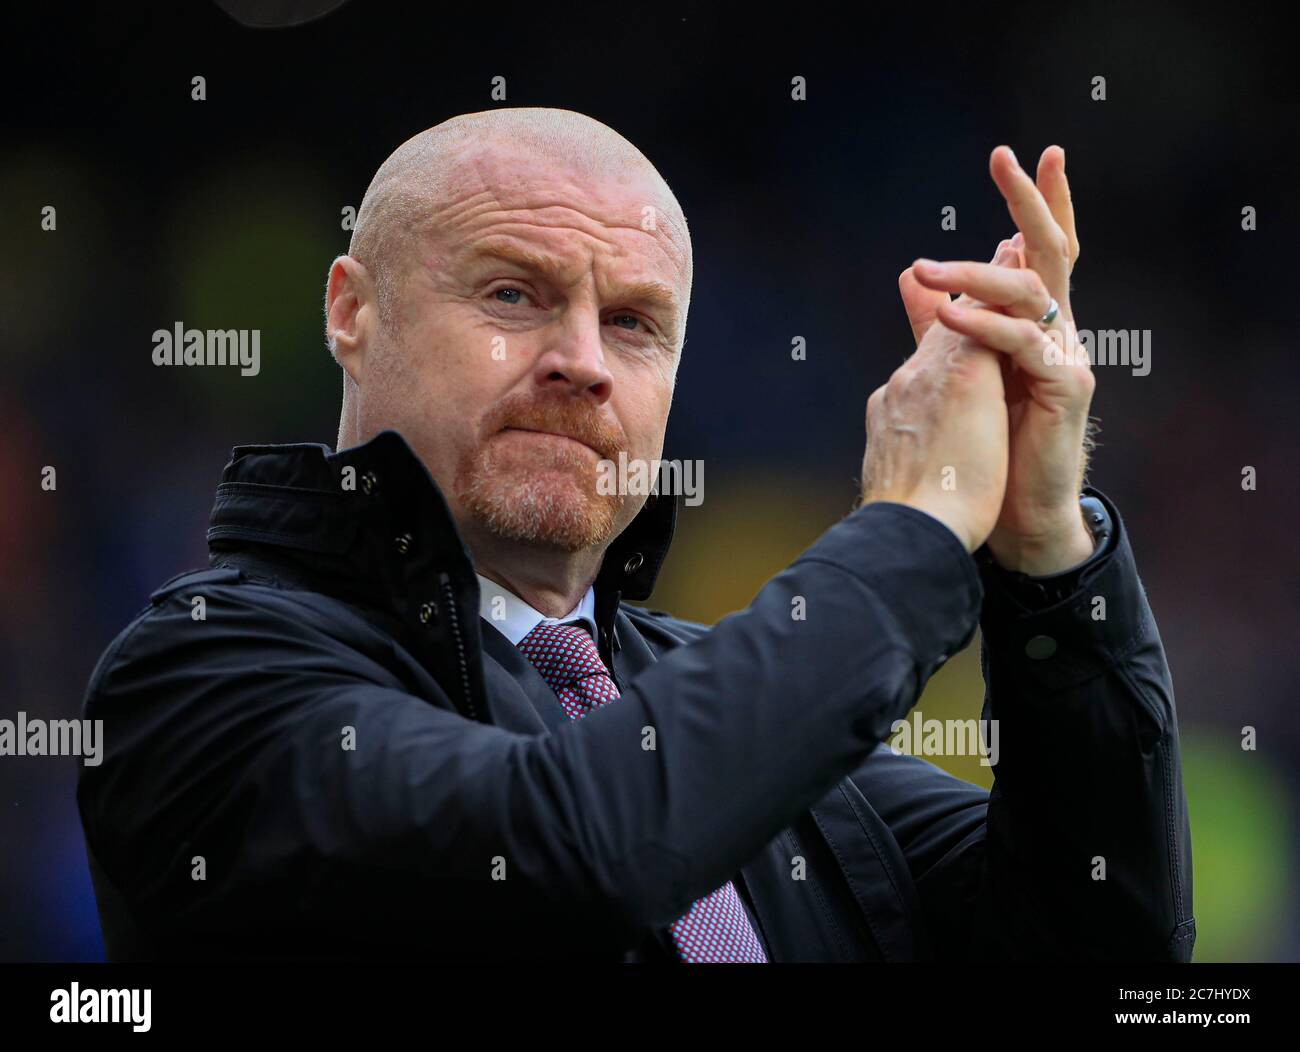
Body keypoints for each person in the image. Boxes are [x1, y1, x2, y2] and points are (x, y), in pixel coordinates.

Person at [77, 108, 1194, 962]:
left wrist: (1045, 548)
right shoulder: (203, 672)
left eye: (633, 322)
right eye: (513, 293)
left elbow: (1107, 945)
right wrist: (909, 528)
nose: (584, 361)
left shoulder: (740, 726)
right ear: (350, 311)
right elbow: (568, 853)